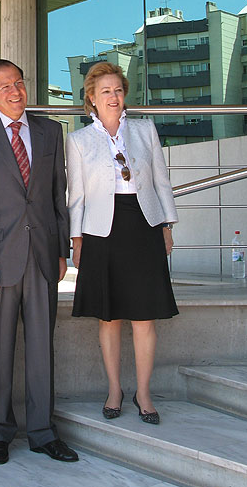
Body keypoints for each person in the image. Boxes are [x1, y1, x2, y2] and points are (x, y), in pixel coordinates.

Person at [0, 59, 78, 465]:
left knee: (42, 347)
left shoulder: (50, 131)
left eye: (19, 83)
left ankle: (43, 433)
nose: (15, 91)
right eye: (4, 86)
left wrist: (62, 249)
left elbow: (56, 195)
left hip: (44, 256)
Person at [66, 62, 178, 425]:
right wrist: (77, 238)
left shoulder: (145, 130)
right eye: (105, 92)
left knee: (144, 317)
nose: (113, 97)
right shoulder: (79, 140)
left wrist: (167, 225)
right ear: (92, 99)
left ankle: (143, 393)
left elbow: (162, 180)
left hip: (143, 223)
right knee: (109, 315)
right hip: (101, 231)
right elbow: (76, 196)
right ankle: (114, 389)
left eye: (117, 90)